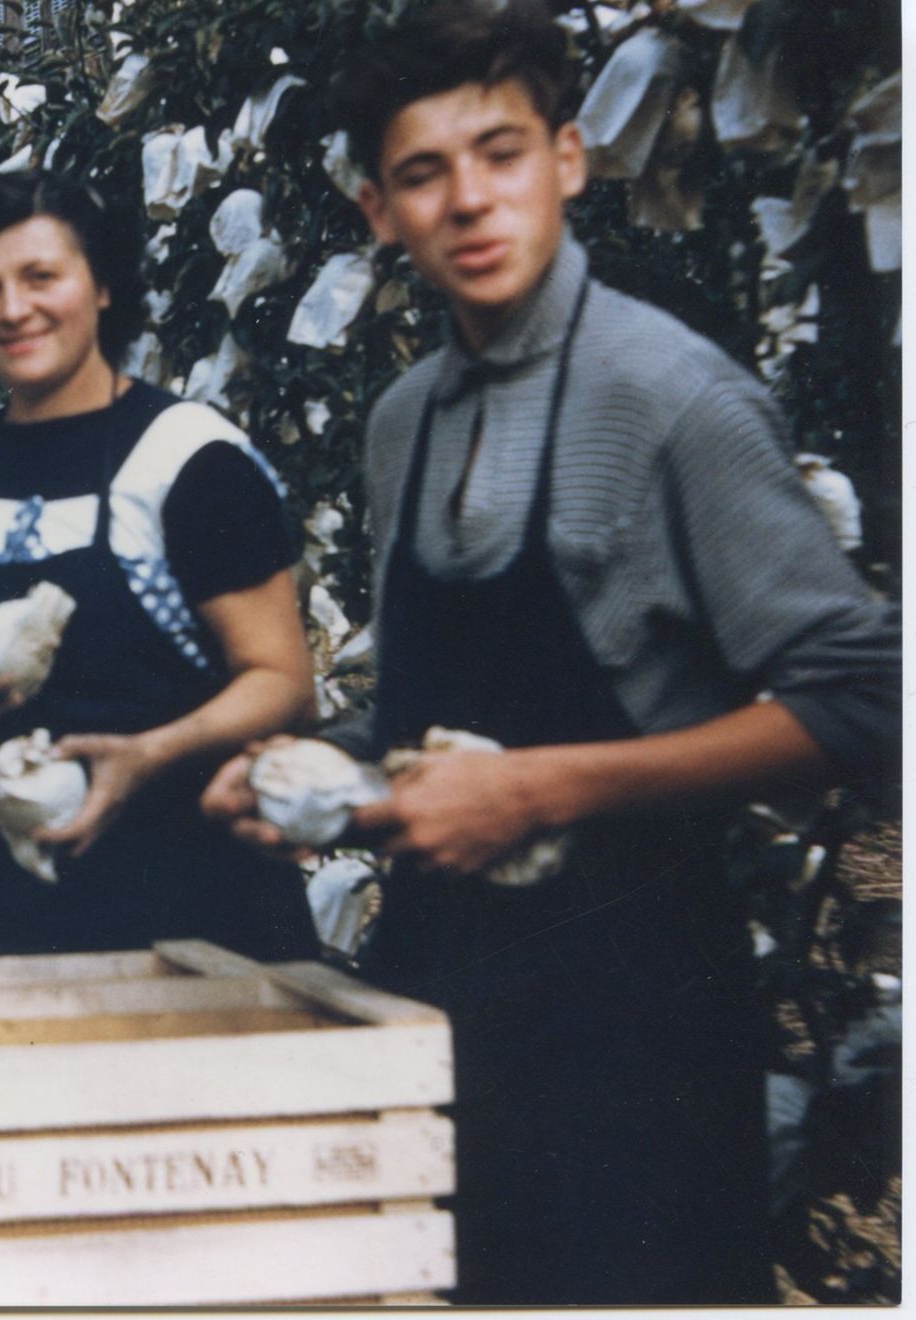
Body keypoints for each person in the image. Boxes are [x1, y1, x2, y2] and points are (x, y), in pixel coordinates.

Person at [201, 1, 900, 1305]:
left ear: (569, 159)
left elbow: (865, 702)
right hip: (436, 1003)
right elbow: (425, 707)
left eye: (501, 152)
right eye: (423, 172)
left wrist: (542, 790)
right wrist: (309, 768)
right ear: (378, 213)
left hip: (636, 1025)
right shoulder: (406, 419)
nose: (469, 200)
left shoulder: (672, 398)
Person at [0, 172, 320, 962]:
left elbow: (281, 680)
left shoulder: (185, 460)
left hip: (197, 917)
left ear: (101, 285)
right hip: (3, 911)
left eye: (42, 277)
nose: (14, 309)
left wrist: (148, 754)